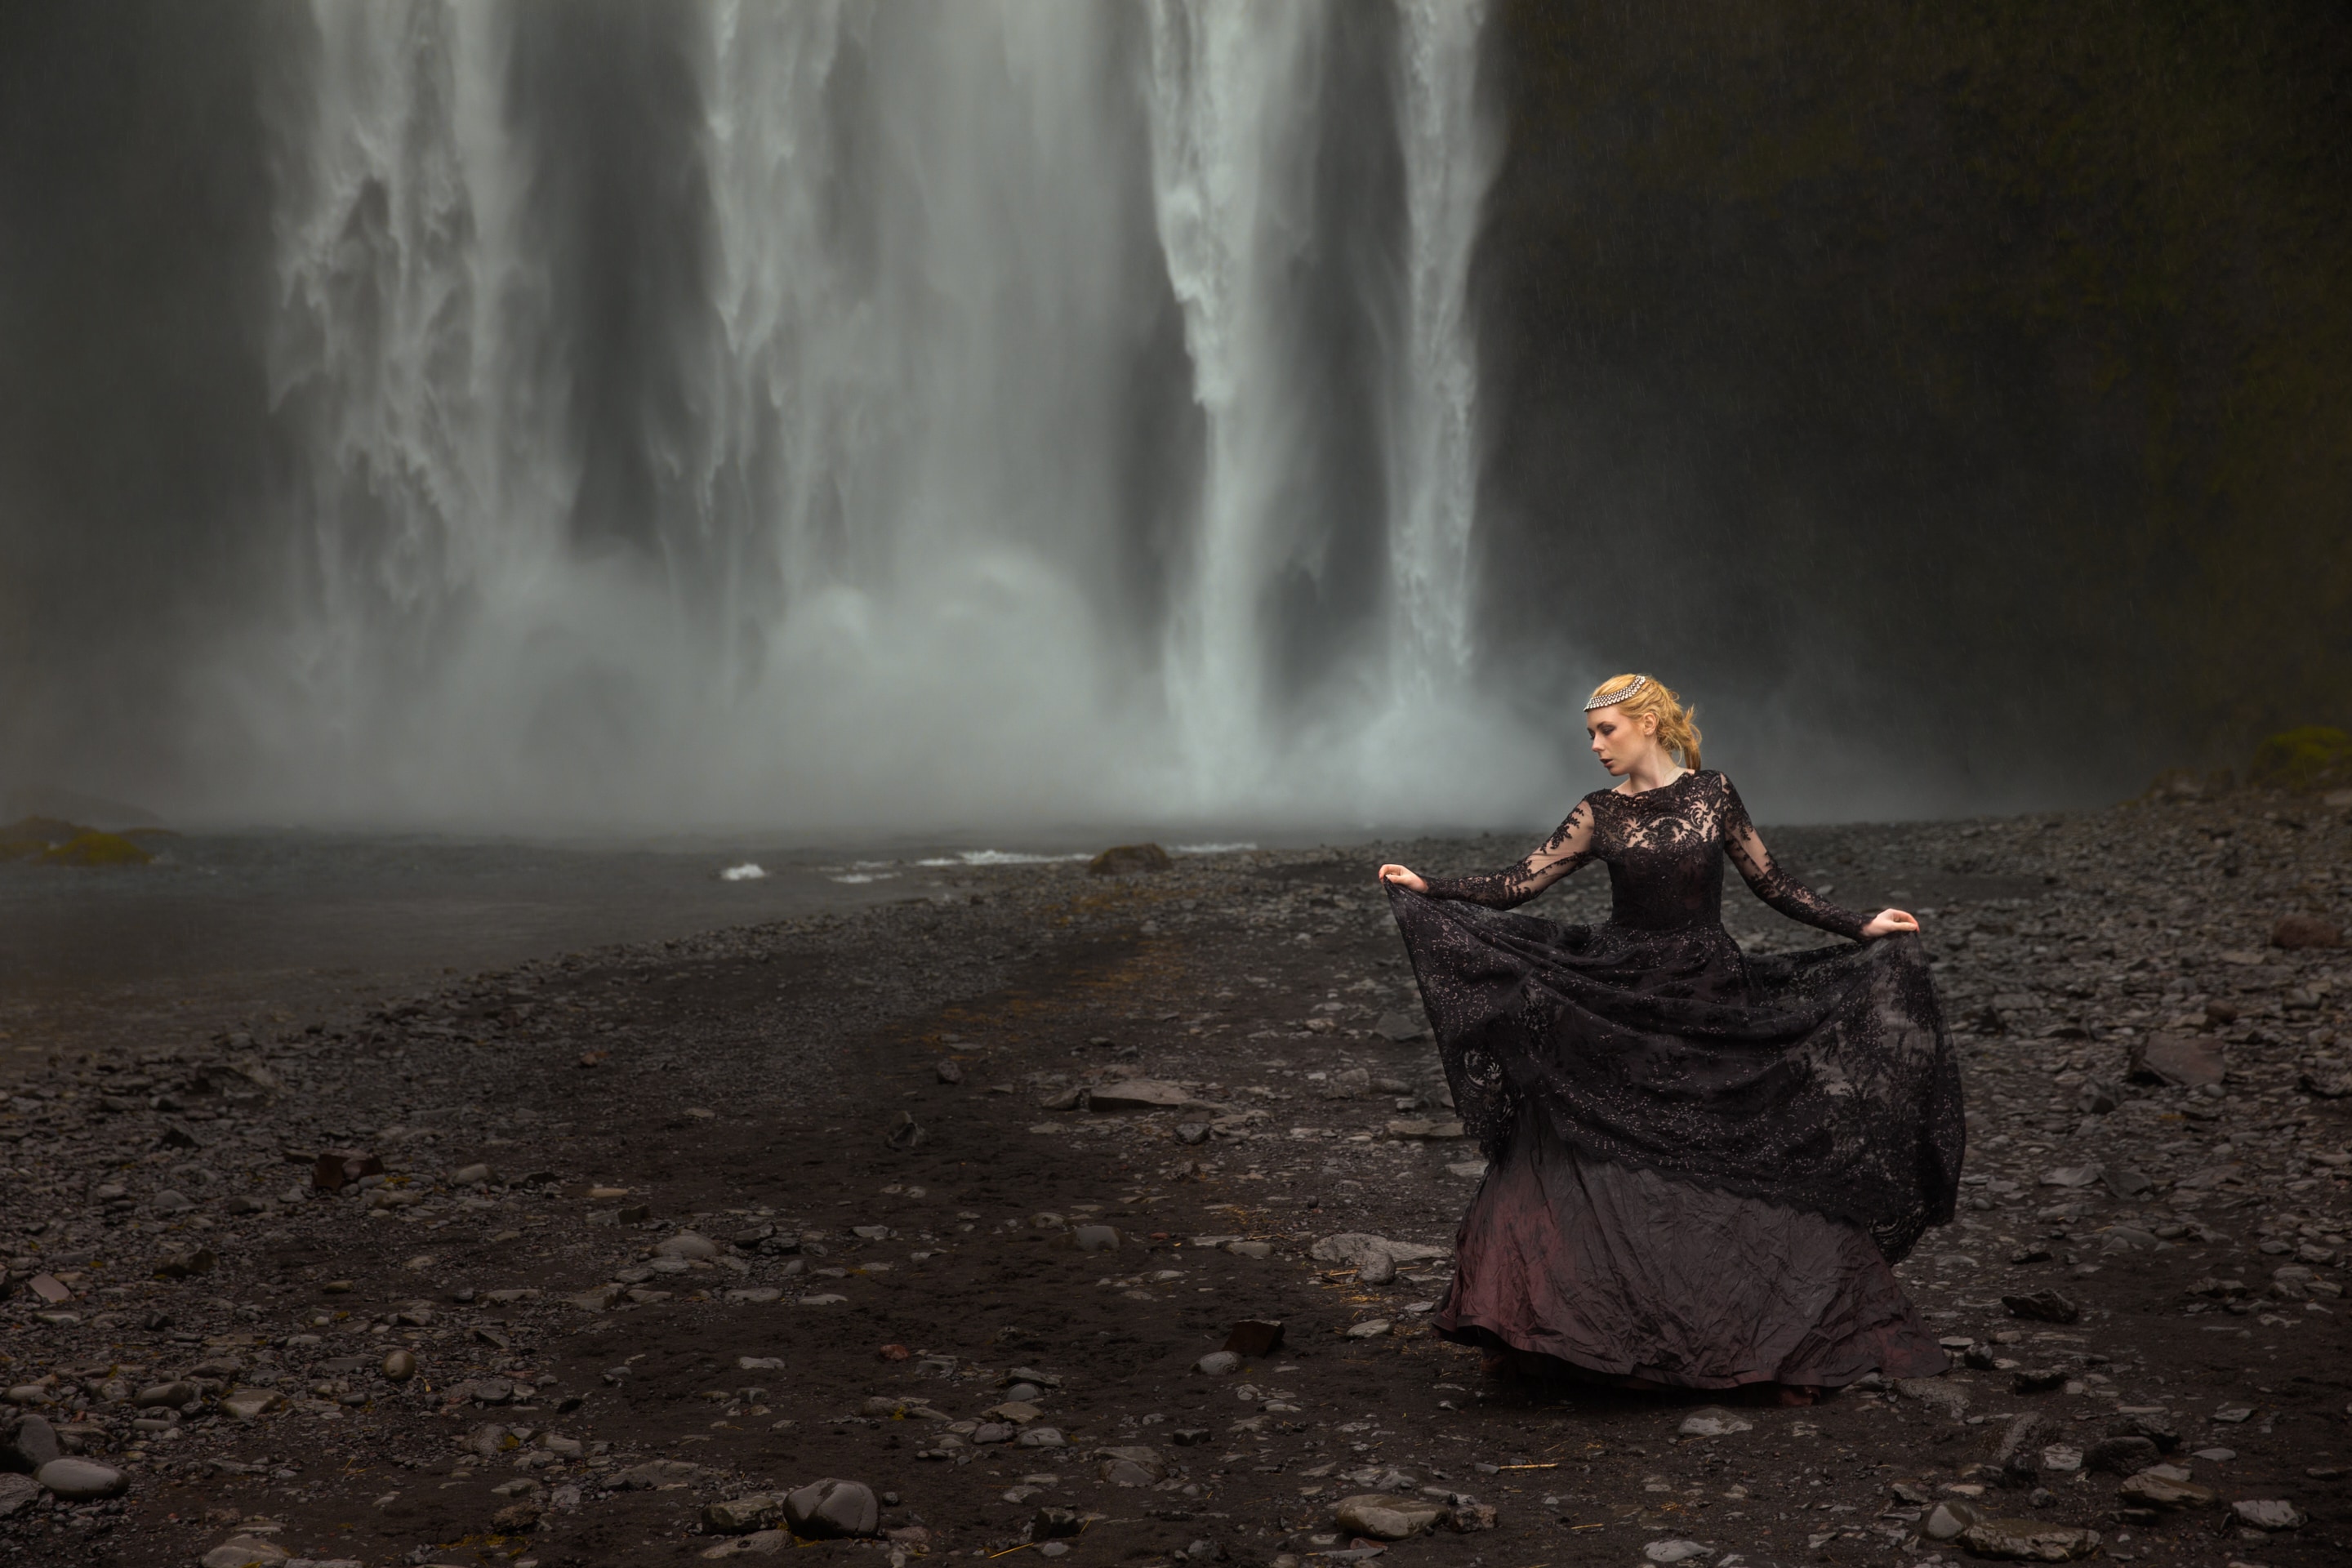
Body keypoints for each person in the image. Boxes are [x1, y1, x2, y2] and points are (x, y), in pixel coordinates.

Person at [1377, 673, 1962, 1403]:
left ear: (1650, 722)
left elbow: (1775, 886)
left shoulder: (1714, 793)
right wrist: (1429, 887)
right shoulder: (1596, 814)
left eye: (1607, 731)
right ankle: (1564, 1333)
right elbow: (1518, 884)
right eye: (1590, 735)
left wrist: (1862, 925)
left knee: (1733, 1149)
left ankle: (1760, 1337)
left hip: (1710, 990)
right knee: (1589, 1140)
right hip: (1623, 994)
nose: (1594, 746)